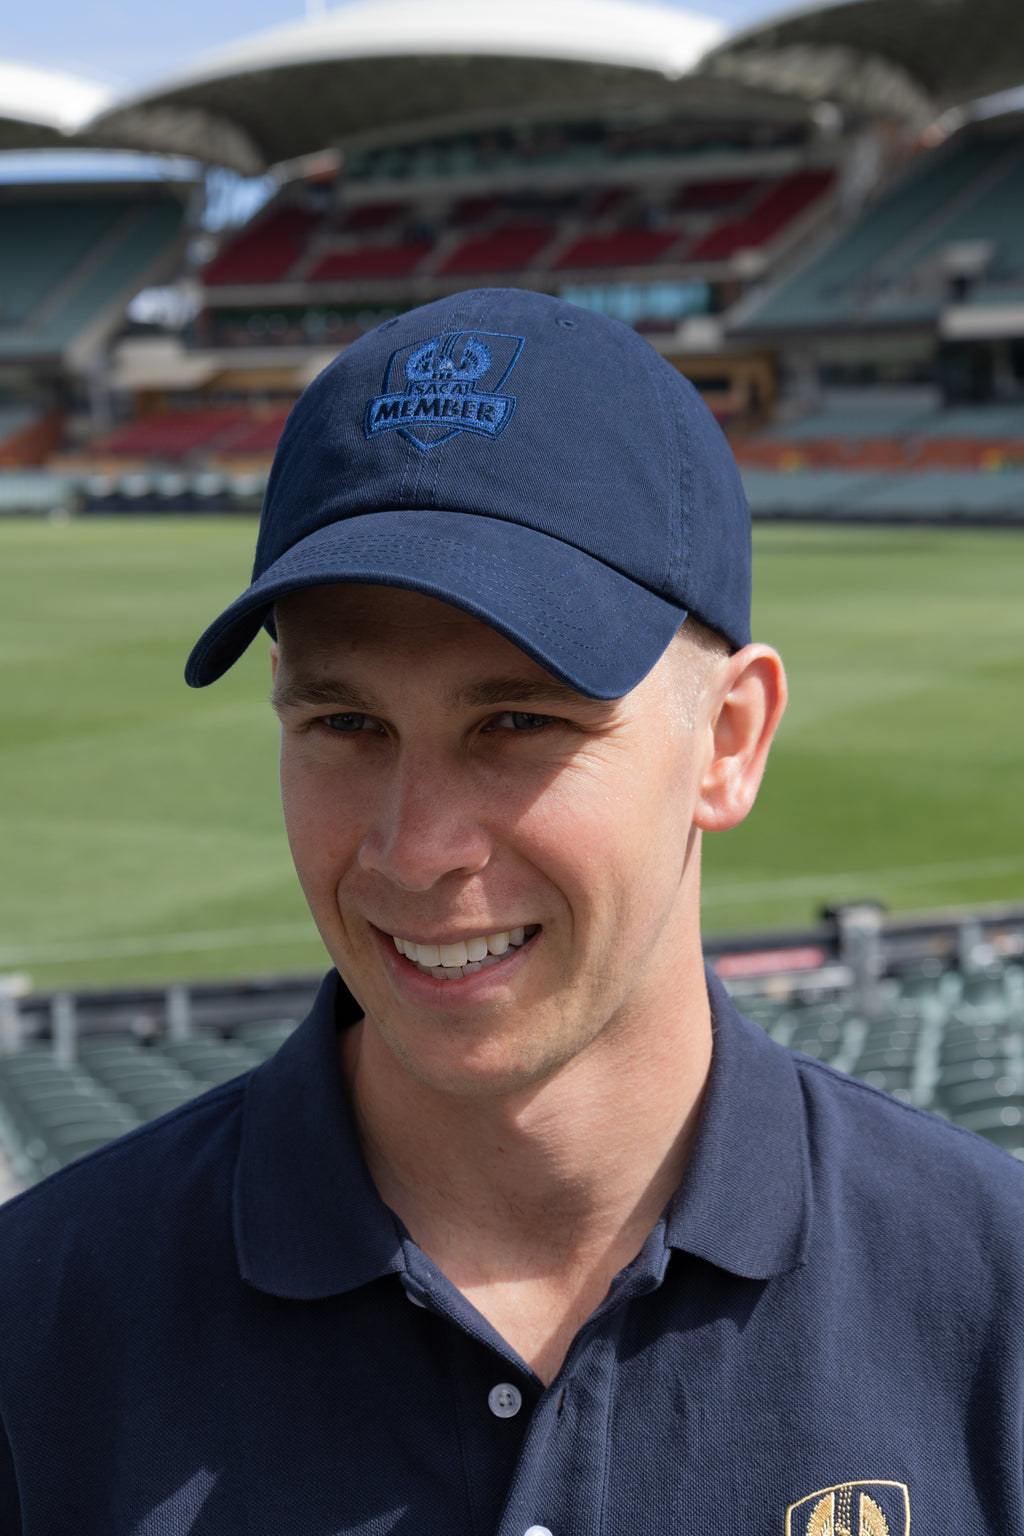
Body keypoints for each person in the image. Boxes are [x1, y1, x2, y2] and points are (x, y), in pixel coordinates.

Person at [0, 288, 1021, 1536]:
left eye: (518, 723)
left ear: (730, 743)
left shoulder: (993, 1297)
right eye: (345, 724)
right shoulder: (39, 1318)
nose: (413, 849)